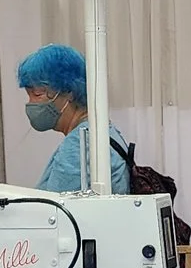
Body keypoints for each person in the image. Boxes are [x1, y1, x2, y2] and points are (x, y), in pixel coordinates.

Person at [15, 43, 129, 195]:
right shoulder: (101, 131)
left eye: (37, 94)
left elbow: (53, 206)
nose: (31, 103)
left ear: (69, 92)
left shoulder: (80, 144)